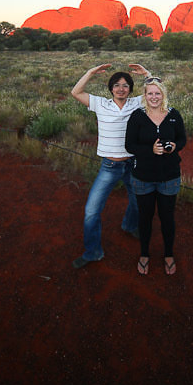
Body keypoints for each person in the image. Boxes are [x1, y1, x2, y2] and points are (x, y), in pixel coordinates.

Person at [71, 62, 152, 269]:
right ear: (111, 88)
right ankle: (93, 252)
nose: (121, 88)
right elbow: (76, 91)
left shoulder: (137, 103)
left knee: (137, 203)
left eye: (125, 85)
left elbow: (155, 92)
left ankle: (130, 225)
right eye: (117, 85)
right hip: (109, 166)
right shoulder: (100, 104)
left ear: (130, 89)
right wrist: (90, 71)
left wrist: (147, 74)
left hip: (133, 164)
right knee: (91, 210)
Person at [125, 77, 186, 276]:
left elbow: (182, 138)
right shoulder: (137, 116)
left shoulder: (174, 114)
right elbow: (130, 145)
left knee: (167, 218)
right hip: (143, 177)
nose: (154, 97)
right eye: (150, 93)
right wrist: (150, 149)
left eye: (157, 93)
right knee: (145, 218)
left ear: (163, 95)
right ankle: (144, 254)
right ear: (144, 95)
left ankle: (168, 254)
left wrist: (175, 146)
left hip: (169, 177)